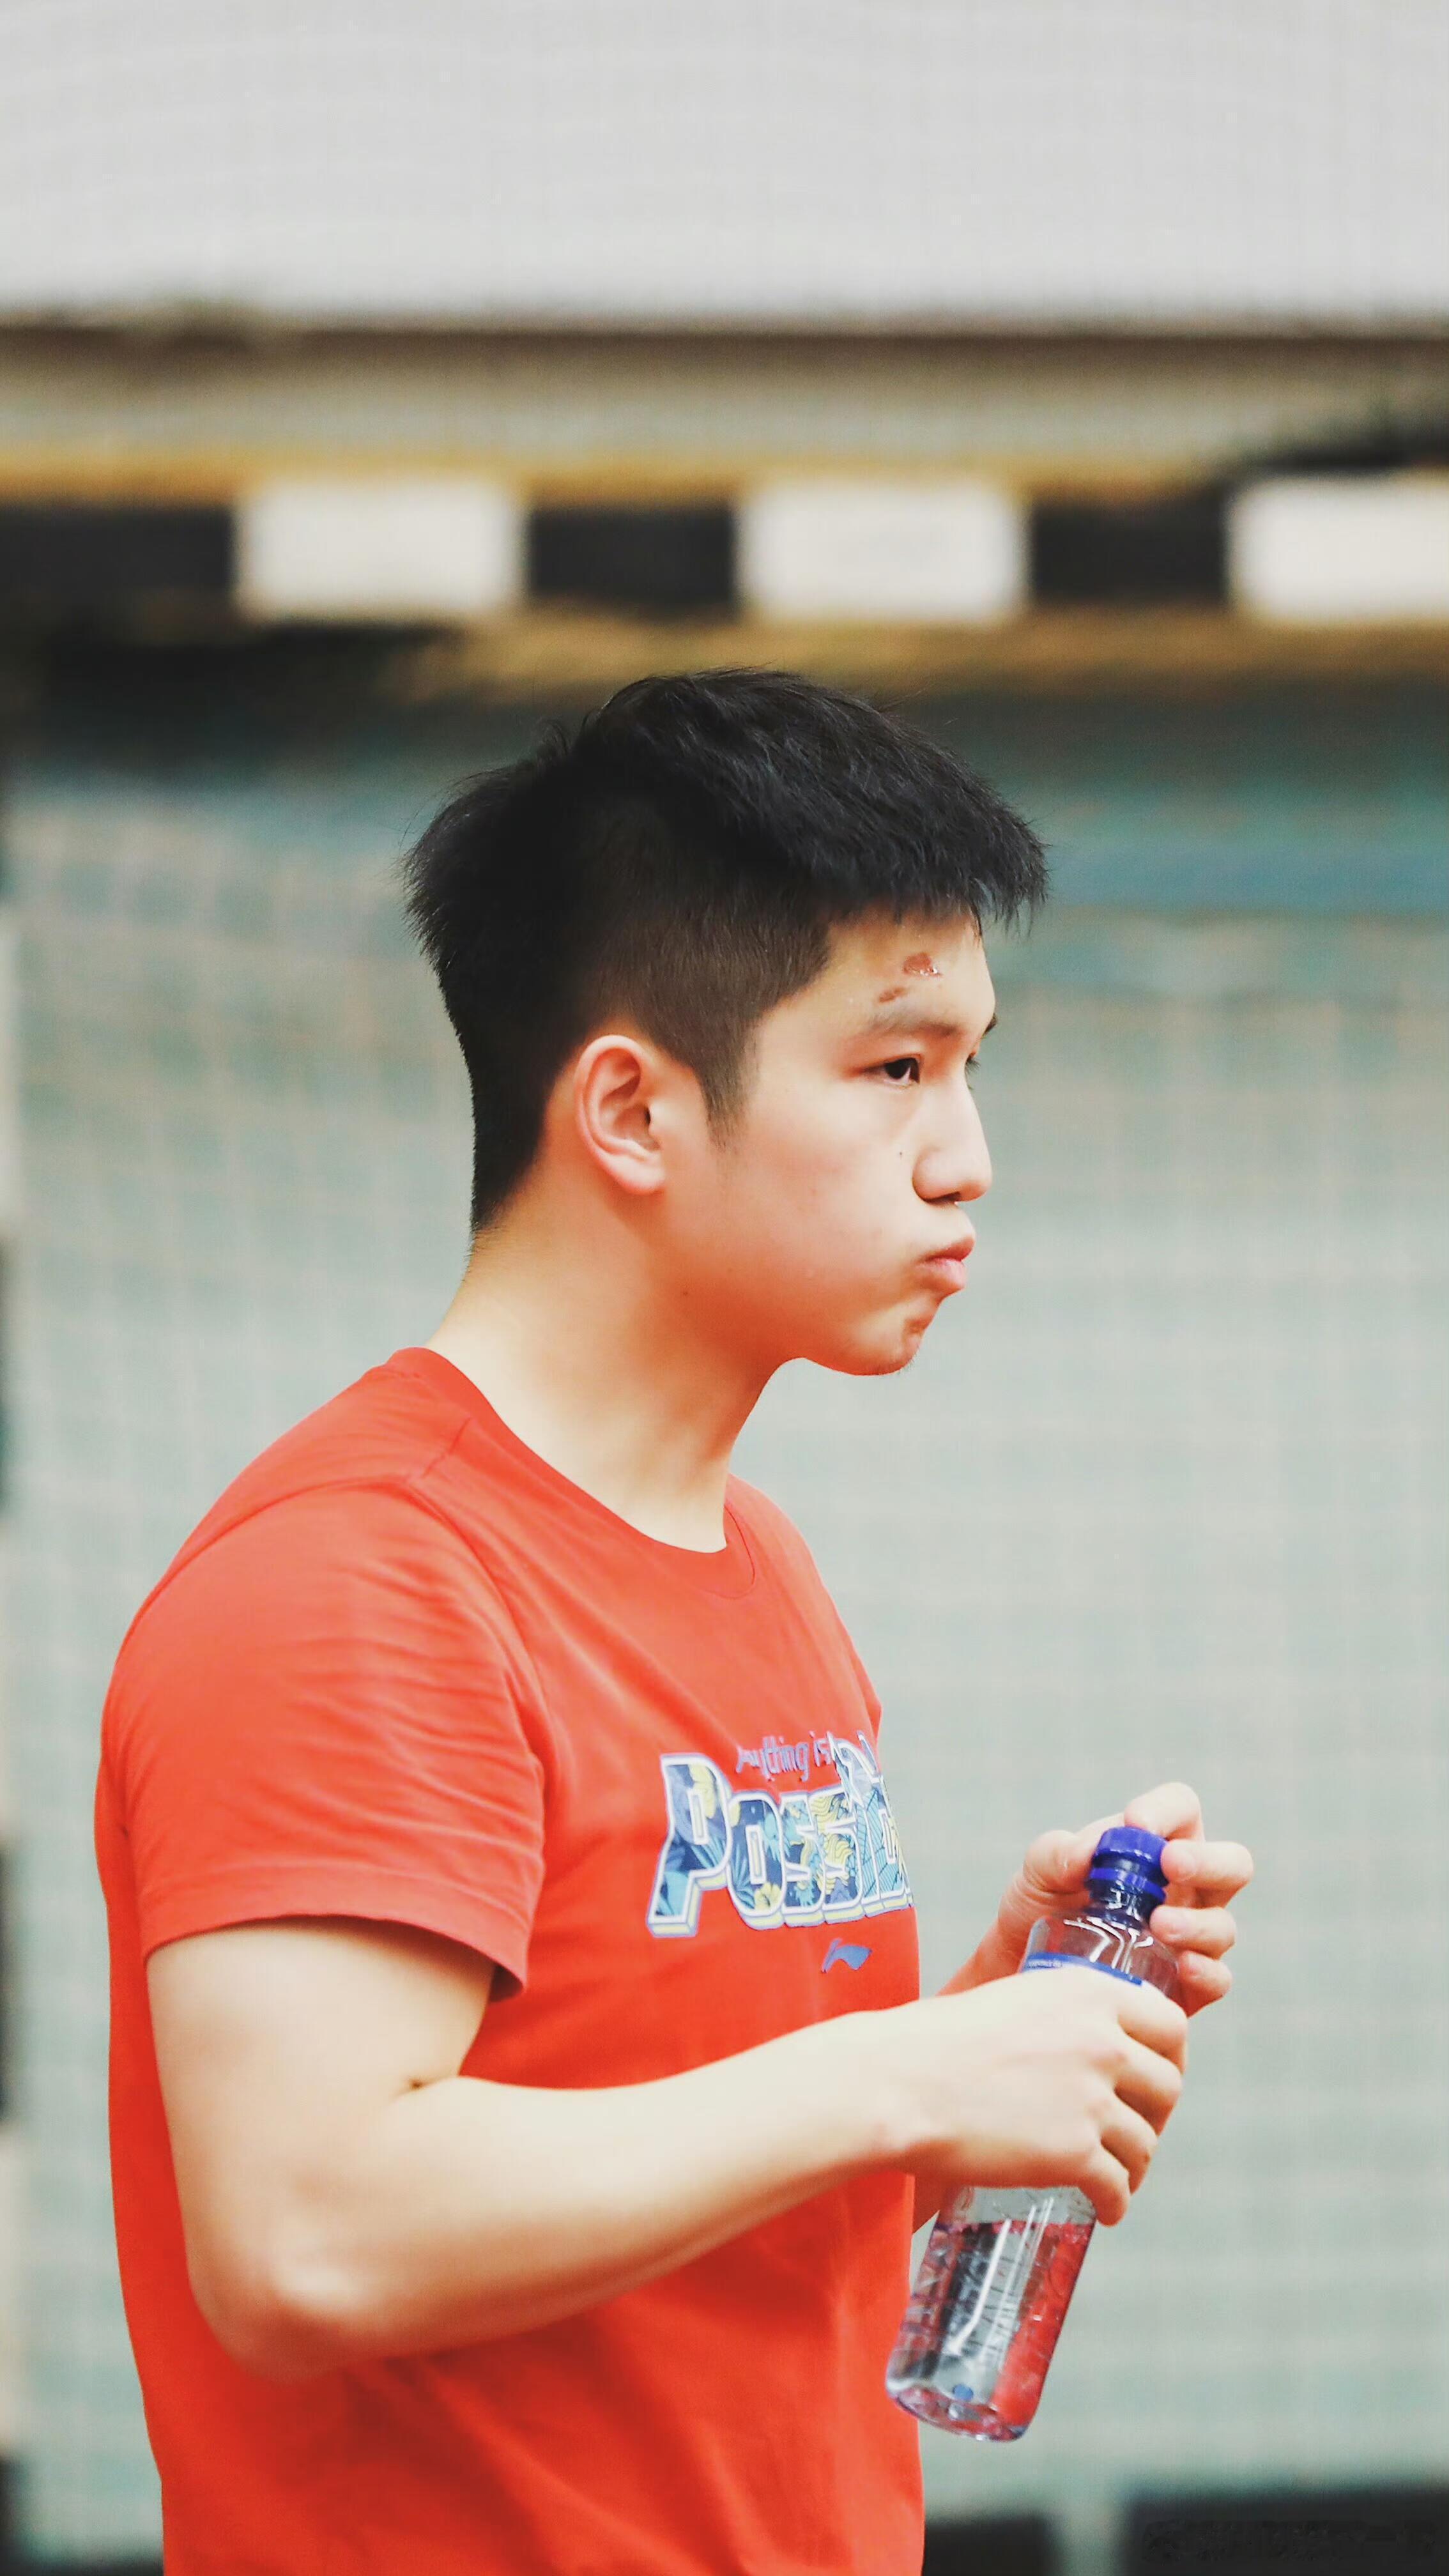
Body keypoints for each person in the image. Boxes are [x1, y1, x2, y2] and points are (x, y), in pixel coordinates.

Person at [96, 670, 1251, 2576]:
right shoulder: (355, 1579)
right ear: (630, 1110)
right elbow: (310, 2237)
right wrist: (898, 2078)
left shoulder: (757, 1560)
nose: (965, 1156)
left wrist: (977, 2045)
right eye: (894, 1069)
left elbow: (687, 2208)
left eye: (970, 1065)